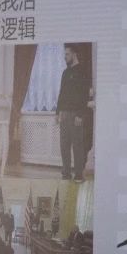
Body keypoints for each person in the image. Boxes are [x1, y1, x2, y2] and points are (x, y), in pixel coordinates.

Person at [57, 45, 92, 180]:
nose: (65, 57)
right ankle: (66, 173)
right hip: (64, 114)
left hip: (76, 114)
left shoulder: (82, 71)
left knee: (77, 146)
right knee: (64, 146)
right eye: (64, 54)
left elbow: (84, 95)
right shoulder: (65, 73)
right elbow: (61, 93)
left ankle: (78, 174)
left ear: (74, 54)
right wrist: (57, 112)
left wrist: (80, 115)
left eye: (67, 54)